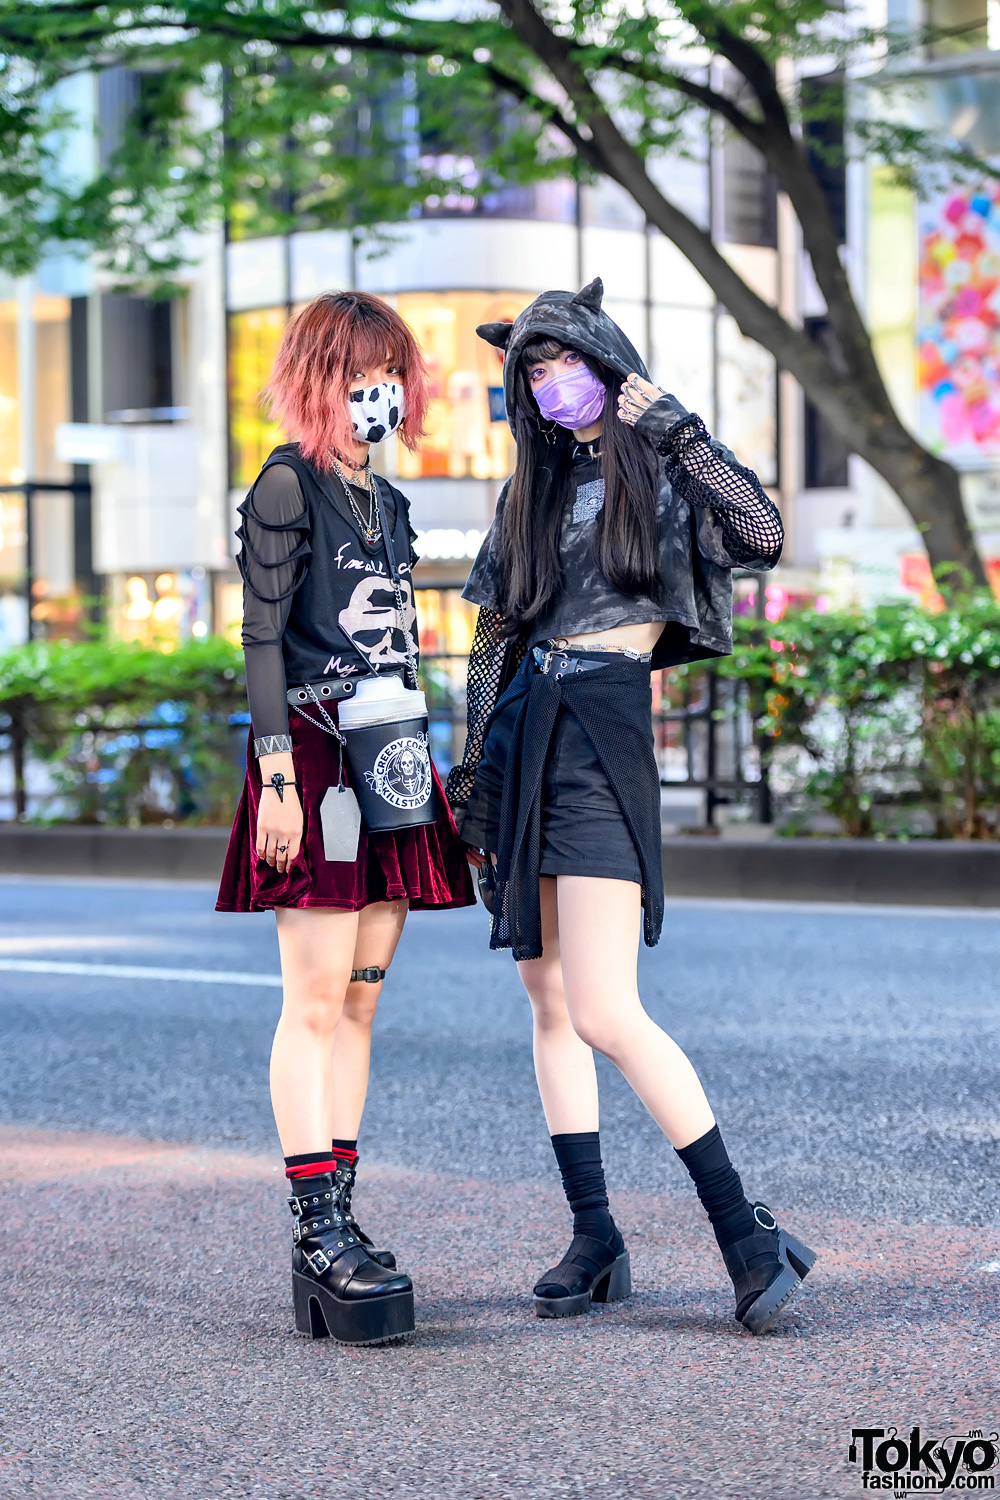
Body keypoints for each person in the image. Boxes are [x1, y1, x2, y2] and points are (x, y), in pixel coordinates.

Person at [446, 278, 815, 1335]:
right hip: (526, 732)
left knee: (607, 1005)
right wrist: (474, 776)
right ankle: (594, 1235)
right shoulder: (531, 492)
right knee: (548, 998)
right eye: (531, 369)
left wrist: (677, 425)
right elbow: (491, 643)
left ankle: (743, 1233)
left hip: (604, 726)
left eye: (564, 359)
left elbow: (759, 532)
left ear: (606, 360)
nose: (550, 381)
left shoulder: (662, 469)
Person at [217, 291, 475, 1345]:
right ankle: (316, 1233)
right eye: (362, 372)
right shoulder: (286, 485)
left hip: (393, 754)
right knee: (314, 1000)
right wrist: (275, 776)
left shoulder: (395, 506)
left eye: (393, 372)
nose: (383, 391)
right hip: (313, 763)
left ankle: (341, 1227)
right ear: (321, 378)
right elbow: (262, 641)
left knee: (363, 1003)